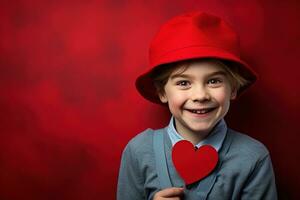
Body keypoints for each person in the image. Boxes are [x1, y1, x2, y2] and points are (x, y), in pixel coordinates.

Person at [117, 11, 277, 200]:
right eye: (184, 83)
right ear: (162, 92)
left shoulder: (254, 158)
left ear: (233, 88)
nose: (200, 95)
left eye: (214, 81)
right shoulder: (138, 151)